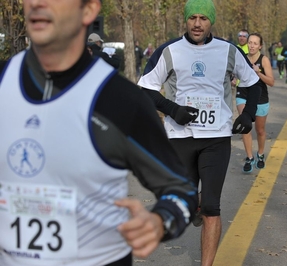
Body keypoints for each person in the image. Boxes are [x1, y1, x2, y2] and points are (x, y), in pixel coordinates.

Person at [0, 0, 198, 265]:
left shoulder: (120, 100)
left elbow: (181, 189)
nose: (37, 2)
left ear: (89, 10)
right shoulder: (4, 81)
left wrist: (159, 220)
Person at [137, 0, 262, 264]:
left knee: (211, 208)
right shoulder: (168, 51)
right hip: (179, 136)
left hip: (216, 137)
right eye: (192, 17)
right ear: (185, 20)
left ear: (211, 21)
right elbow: (145, 89)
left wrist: (248, 115)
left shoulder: (228, 51)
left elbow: (253, 83)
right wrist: (173, 110)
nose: (197, 23)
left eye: (203, 18)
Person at [236, 33, 274, 173]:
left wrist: (258, 73)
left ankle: (261, 154)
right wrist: (233, 79)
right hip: (243, 94)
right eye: (250, 42)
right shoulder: (242, 58)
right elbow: (235, 74)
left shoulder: (264, 60)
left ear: (260, 46)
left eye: (255, 43)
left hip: (260, 97)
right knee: (245, 125)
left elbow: (271, 82)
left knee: (260, 130)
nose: (251, 45)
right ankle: (249, 157)